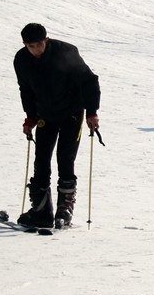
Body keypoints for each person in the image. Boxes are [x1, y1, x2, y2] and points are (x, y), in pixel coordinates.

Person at [13, 23, 101, 229]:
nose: (35, 50)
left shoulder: (65, 53)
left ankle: (64, 211)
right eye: (30, 46)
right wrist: (30, 117)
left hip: (72, 112)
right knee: (41, 159)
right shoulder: (21, 60)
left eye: (38, 45)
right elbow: (25, 89)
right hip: (46, 114)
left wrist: (92, 112)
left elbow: (89, 81)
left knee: (65, 157)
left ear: (47, 40)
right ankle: (42, 211)